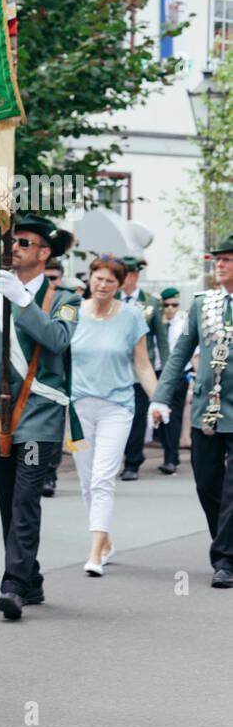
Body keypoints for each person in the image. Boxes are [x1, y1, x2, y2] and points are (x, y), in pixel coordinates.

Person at [0, 214, 79, 620]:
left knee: (26, 499)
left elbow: (58, 340)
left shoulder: (65, 300)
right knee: (8, 501)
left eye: (24, 243)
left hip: (39, 416)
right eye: (10, 242)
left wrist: (24, 302)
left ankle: (13, 584)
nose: (14, 249)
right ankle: (32, 576)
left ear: (44, 253)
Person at [150, 234, 233, 589]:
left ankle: (225, 560)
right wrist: (160, 397)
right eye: (218, 259)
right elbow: (181, 353)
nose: (220, 264)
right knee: (206, 484)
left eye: (228, 259)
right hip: (207, 409)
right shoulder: (204, 304)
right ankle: (226, 543)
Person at [69, 257, 157, 576]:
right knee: (85, 480)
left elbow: (143, 364)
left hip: (117, 408)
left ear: (120, 286)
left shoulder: (132, 317)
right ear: (90, 279)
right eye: (98, 278)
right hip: (76, 411)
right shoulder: (73, 313)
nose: (102, 285)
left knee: (103, 478)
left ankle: (95, 554)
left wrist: (158, 401)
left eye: (110, 281)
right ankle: (104, 540)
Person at [118, 256, 168, 481]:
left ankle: (132, 461)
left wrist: (167, 371)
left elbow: (162, 339)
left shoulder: (151, 303)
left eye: (126, 274)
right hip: (115, 371)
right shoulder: (110, 298)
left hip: (140, 372)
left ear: (135, 275)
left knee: (137, 419)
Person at [41, 259, 70, 496]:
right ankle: (35, 473)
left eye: (54, 278)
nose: (51, 282)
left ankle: (49, 474)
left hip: (56, 379)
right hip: (28, 379)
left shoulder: (66, 300)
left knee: (54, 431)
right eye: (46, 277)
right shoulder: (28, 295)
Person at [157, 287, 190, 475]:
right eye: (166, 305)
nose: (170, 309)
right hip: (159, 373)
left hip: (178, 375)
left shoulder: (184, 322)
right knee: (159, 417)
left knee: (174, 417)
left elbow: (192, 349)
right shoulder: (157, 323)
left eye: (174, 305)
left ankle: (171, 458)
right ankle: (171, 454)